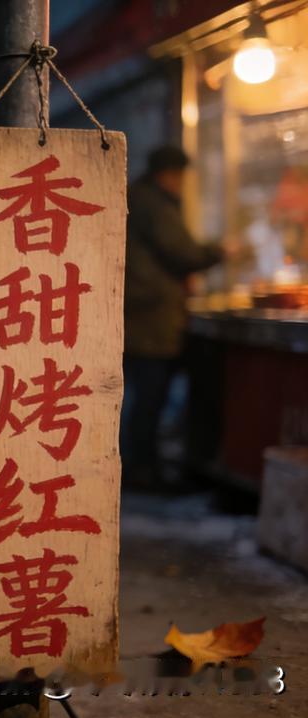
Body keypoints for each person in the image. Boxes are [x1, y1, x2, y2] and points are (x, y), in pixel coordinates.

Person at [122, 146, 228, 490]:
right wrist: (218, 251)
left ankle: (141, 467)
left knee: (144, 398)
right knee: (149, 398)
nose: (182, 184)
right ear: (169, 174)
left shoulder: (137, 197)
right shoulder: (155, 203)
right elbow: (182, 253)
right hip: (151, 318)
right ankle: (143, 472)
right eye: (180, 176)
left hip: (141, 314)